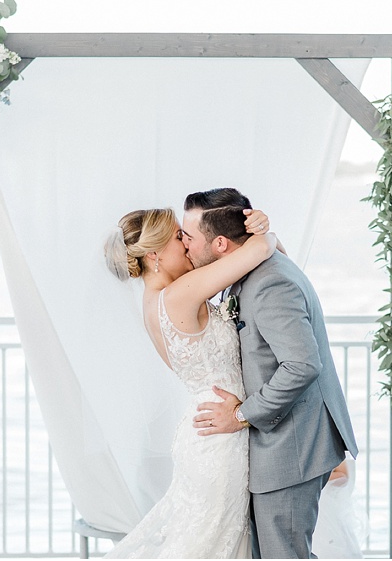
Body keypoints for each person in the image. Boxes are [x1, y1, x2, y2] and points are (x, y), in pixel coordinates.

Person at [184, 188, 357, 559]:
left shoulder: (270, 283)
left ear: (219, 243)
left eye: (189, 237)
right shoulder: (251, 267)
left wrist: (240, 415)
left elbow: (302, 364)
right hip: (275, 447)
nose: (184, 245)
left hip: (290, 449)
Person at [102, 205, 276, 558]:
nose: (186, 243)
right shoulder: (181, 292)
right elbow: (260, 249)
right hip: (219, 440)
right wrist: (263, 229)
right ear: (154, 255)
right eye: (178, 237)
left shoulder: (154, 301)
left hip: (206, 434)